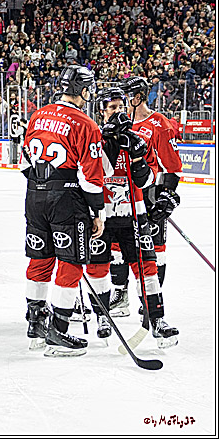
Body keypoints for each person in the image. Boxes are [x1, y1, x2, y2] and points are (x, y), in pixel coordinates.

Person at [17, 66, 105, 357]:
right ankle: (59, 330)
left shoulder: (38, 115)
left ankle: (35, 325)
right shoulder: (86, 124)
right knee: (71, 262)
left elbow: (24, 163)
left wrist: (43, 187)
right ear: (82, 90)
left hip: (34, 196)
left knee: (39, 259)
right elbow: (91, 178)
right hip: (66, 199)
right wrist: (97, 212)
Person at [89, 88, 178, 346]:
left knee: (147, 267)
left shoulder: (137, 139)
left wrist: (138, 156)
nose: (118, 111)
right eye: (112, 107)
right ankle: (103, 316)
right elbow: (94, 174)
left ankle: (157, 319)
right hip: (104, 216)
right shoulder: (95, 138)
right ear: (102, 112)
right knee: (98, 267)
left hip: (135, 216)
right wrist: (109, 143)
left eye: (121, 107)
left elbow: (147, 180)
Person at [109, 75, 182, 311]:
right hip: (121, 196)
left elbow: (172, 166)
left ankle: (153, 299)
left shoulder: (159, 124)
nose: (122, 101)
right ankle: (120, 295)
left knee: (154, 249)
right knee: (117, 247)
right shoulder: (119, 123)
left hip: (149, 195)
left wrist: (166, 196)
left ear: (138, 97)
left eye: (127, 96)